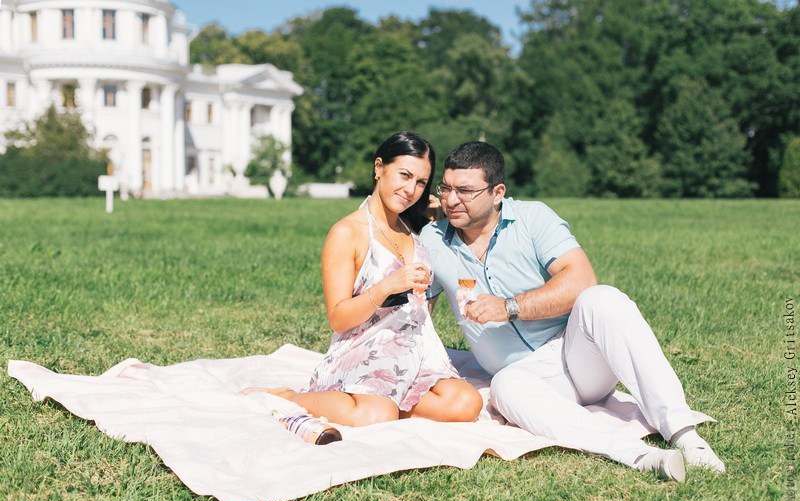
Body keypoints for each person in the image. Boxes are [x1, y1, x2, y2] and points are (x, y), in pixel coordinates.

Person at [419, 141, 725, 482]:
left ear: (497, 193)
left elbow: (581, 278)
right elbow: (418, 311)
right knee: (504, 386)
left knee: (602, 298)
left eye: (464, 191)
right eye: (445, 188)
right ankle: (641, 456)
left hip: (578, 354)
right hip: (523, 377)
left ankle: (684, 434)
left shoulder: (533, 218)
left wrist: (509, 307)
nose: (450, 200)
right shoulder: (432, 239)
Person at [244, 132, 483, 427]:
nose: (411, 190)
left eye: (421, 182)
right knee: (375, 415)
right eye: (404, 175)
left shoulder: (413, 227)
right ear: (379, 167)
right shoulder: (348, 232)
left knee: (466, 404)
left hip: (417, 349)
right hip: (367, 347)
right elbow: (338, 319)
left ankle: (387, 401)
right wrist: (387, 286)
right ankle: (289, 397)